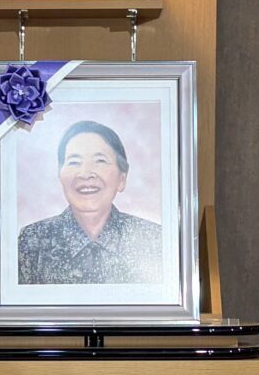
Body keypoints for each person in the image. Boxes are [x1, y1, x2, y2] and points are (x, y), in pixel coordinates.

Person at [16, 120, 164, 285]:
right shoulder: (31, 242)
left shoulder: (154, 240)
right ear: (60, 175)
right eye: (74, 162)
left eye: (100, 161)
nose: (85, 174)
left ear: (122, 178)